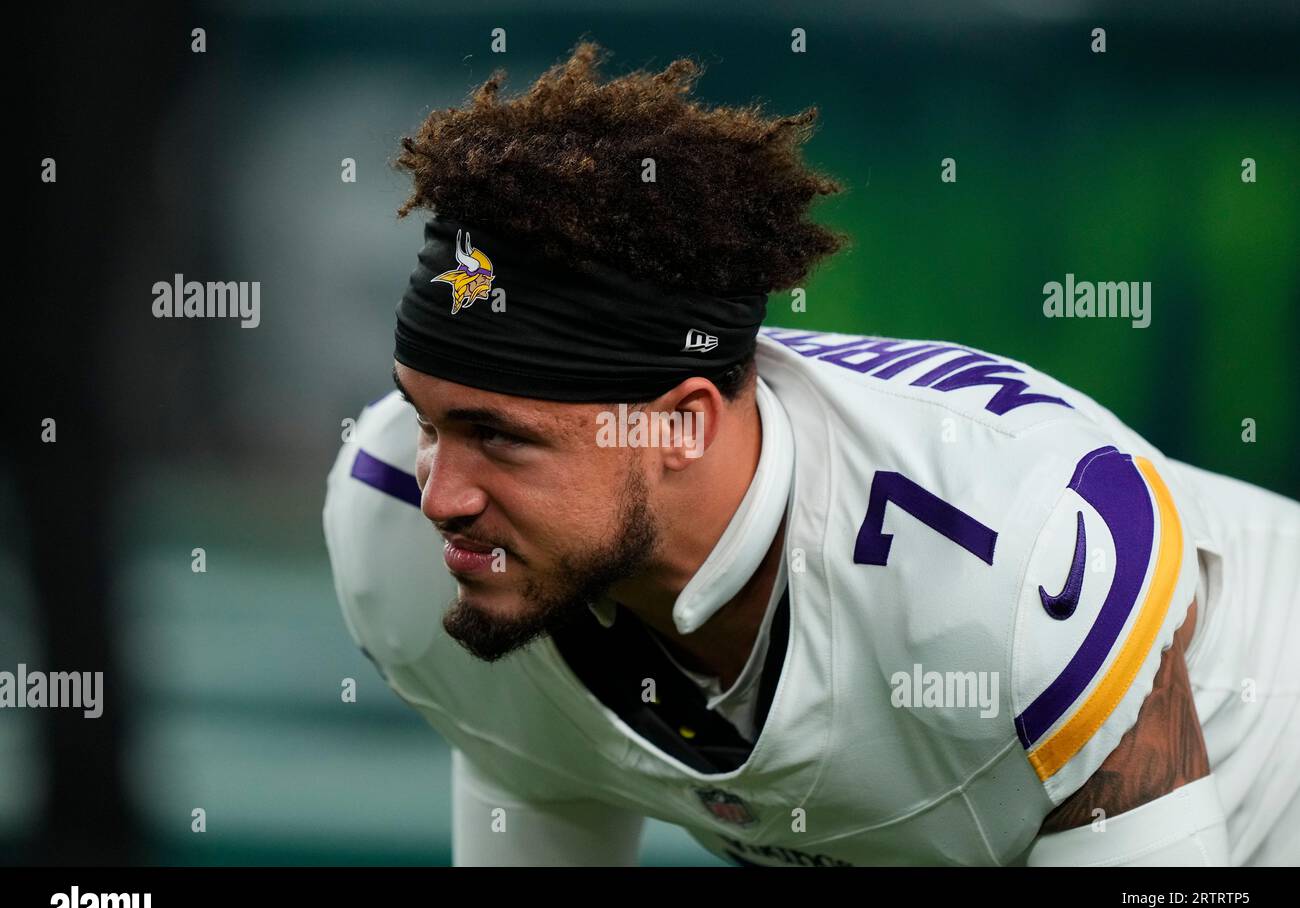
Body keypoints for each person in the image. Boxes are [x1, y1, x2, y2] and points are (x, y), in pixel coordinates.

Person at [323, 42, 1298, 866]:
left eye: (499, 436)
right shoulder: (395, 525)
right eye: (426, 419)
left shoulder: (1009, 556)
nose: (441, 494)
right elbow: (538, 766)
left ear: (681, 423)